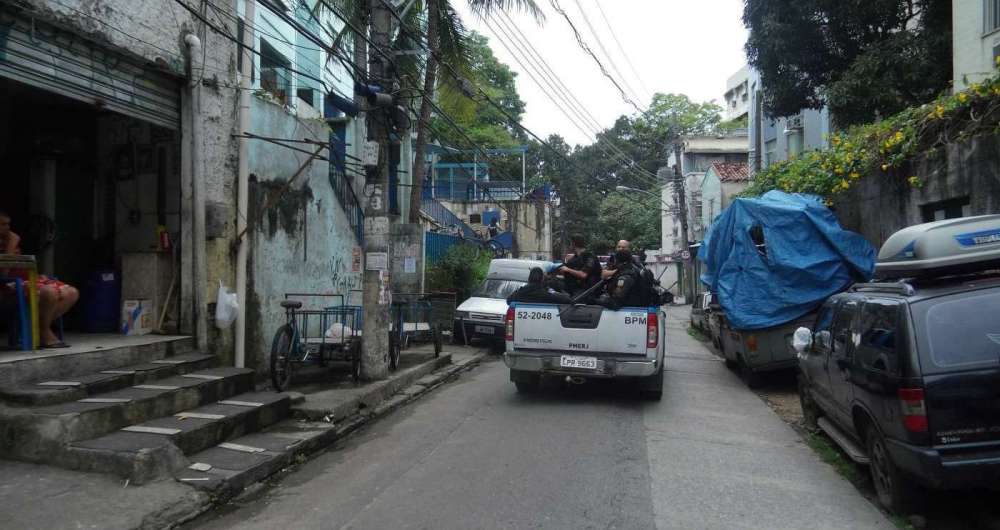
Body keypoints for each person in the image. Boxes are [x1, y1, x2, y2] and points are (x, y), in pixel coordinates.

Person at [0, 211, 79, 348]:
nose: (6, 228)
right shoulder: (10, 242)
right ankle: (44, 332)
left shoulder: (9, 239)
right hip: (10, 285)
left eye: (7, 224)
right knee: (49, 292)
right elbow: (4, 273)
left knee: (71, 293)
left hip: (27, 279)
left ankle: (36, 328)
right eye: (1, 224)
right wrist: (11, 245)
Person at [507, 267, 572, 305]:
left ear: (529, 278)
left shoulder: (520, 292)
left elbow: (508, 300)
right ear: (542, 279)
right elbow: (567, 299)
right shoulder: (545, 293)